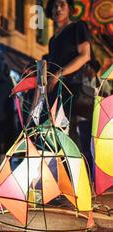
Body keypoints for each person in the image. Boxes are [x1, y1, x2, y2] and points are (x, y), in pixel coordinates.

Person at [45, 0, 92, 145]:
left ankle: (77, 167)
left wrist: (60, 73)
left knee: (71, 134)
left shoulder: (77, 27)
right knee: (56, 134)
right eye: (54, 6)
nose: (58, 8)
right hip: (55, 91)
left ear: (69, 9)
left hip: (73, 88)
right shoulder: (53, 39)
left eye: (62, 5)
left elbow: (85, 55)